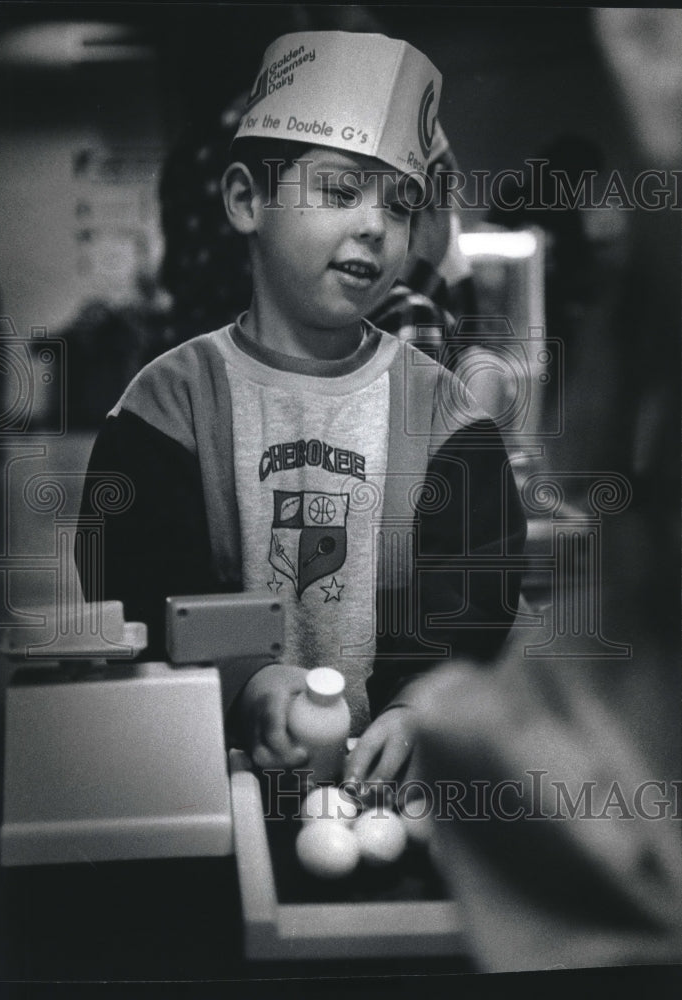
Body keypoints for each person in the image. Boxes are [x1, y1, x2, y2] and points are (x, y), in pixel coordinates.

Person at [75, 30, 526, 783]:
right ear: (248, 200)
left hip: (384, 781)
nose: (375, 226)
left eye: (400, 204)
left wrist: (421, 705)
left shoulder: (445, 414)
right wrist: (247, 679)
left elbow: (479, 601)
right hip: (204, 775)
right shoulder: (166, 406)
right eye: (341, 191)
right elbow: (132, 580)